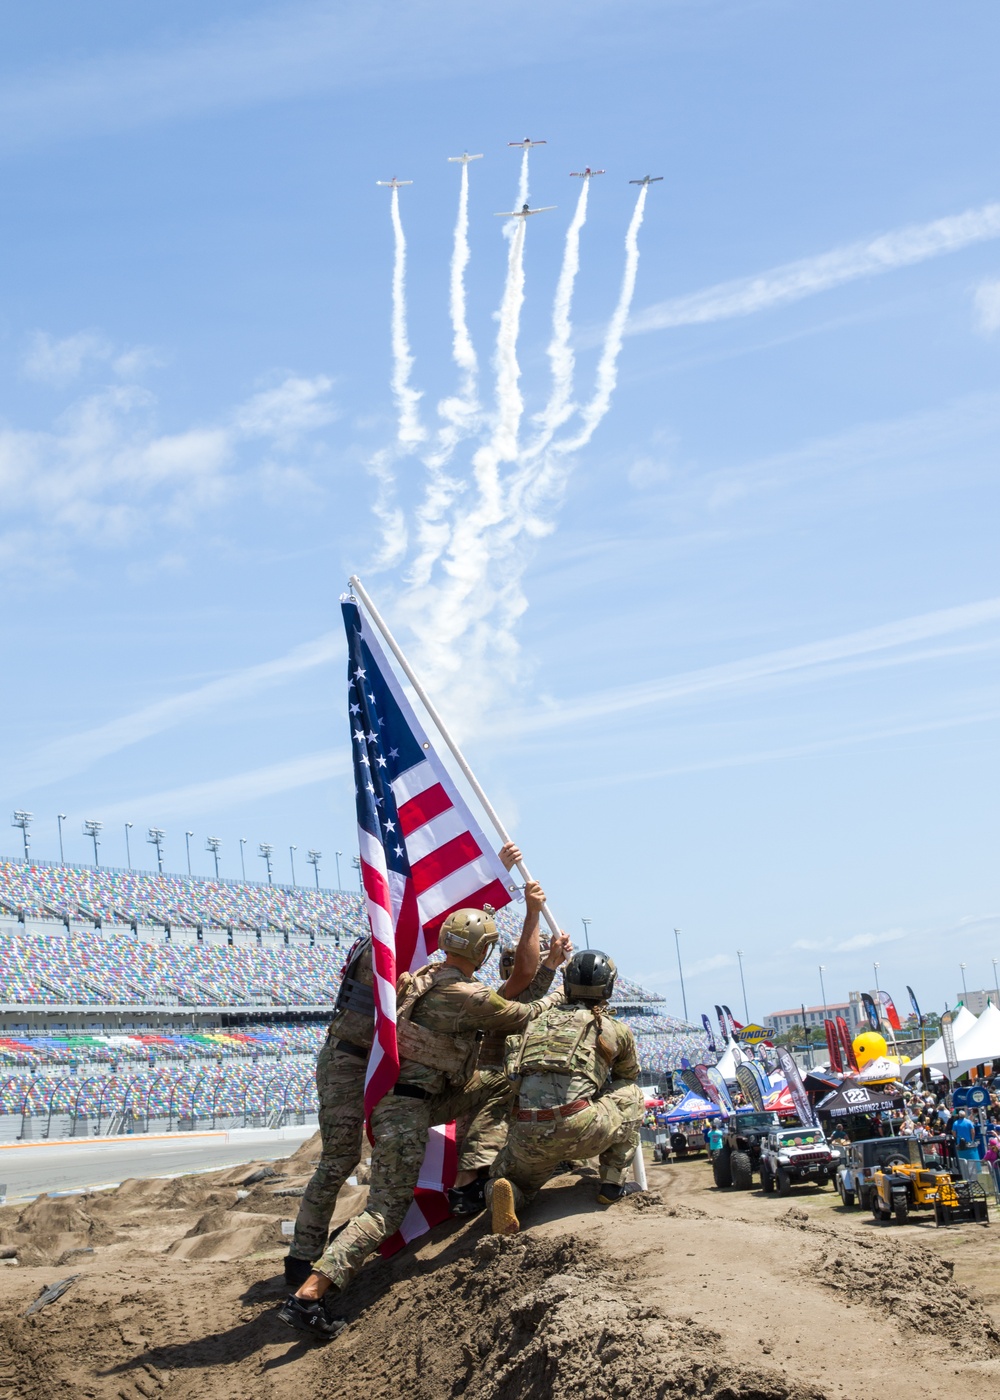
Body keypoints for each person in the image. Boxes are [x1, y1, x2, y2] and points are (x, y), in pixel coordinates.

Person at [278, 901, 562, 1339]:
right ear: (485, 951)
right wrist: (561, 987)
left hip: (410, 1100)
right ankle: (308, 1296)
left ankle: (473, 1182)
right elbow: (522, 1011)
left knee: (498, 1082)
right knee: (384, 1212)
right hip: (406, 1109)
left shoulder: (424, 978)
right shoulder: (465, 995)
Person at [282, 841, 524, 1288]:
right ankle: (303, 1256)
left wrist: (495, 874)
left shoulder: (400, 946)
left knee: (356, 1159)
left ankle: (323, 1254)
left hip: (372, 1062)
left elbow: (449, 933)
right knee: (339, 1159)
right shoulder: (380, 951)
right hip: (347, 1062)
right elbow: (443, 939)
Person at [487, 948, 644, 1235]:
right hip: (581, 1128)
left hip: (528, 1133)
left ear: (567, 984)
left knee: (504, 1179)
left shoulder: (533, 1024)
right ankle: (611, 1184)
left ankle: (509, 1193)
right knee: (632, 1095)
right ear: (607, 987)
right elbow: (627, 1077)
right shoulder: (613, 1028)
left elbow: (513, 1080)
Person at [448, 884, 572, 1215]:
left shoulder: (510, 994)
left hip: (498, 1121)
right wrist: (534, 915)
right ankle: (476, 1189)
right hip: (495, 1121)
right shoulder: (506, 995)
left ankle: (495, 1189)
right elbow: (527, 974)